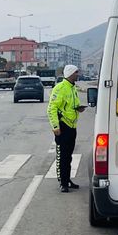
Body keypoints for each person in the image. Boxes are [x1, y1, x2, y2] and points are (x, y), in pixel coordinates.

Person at [48, 64, 87, 193]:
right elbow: (52, 108)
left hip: (72, 126)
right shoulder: (60, 88)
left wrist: (78, 108)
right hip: (62, 126)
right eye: (76, 72)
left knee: (69, 156)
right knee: (62, 156)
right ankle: (63, 183)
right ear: (70, 73)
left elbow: (70, 105)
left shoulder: (72, 87)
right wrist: (55, 126)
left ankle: (68, 180)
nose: (78, 74)